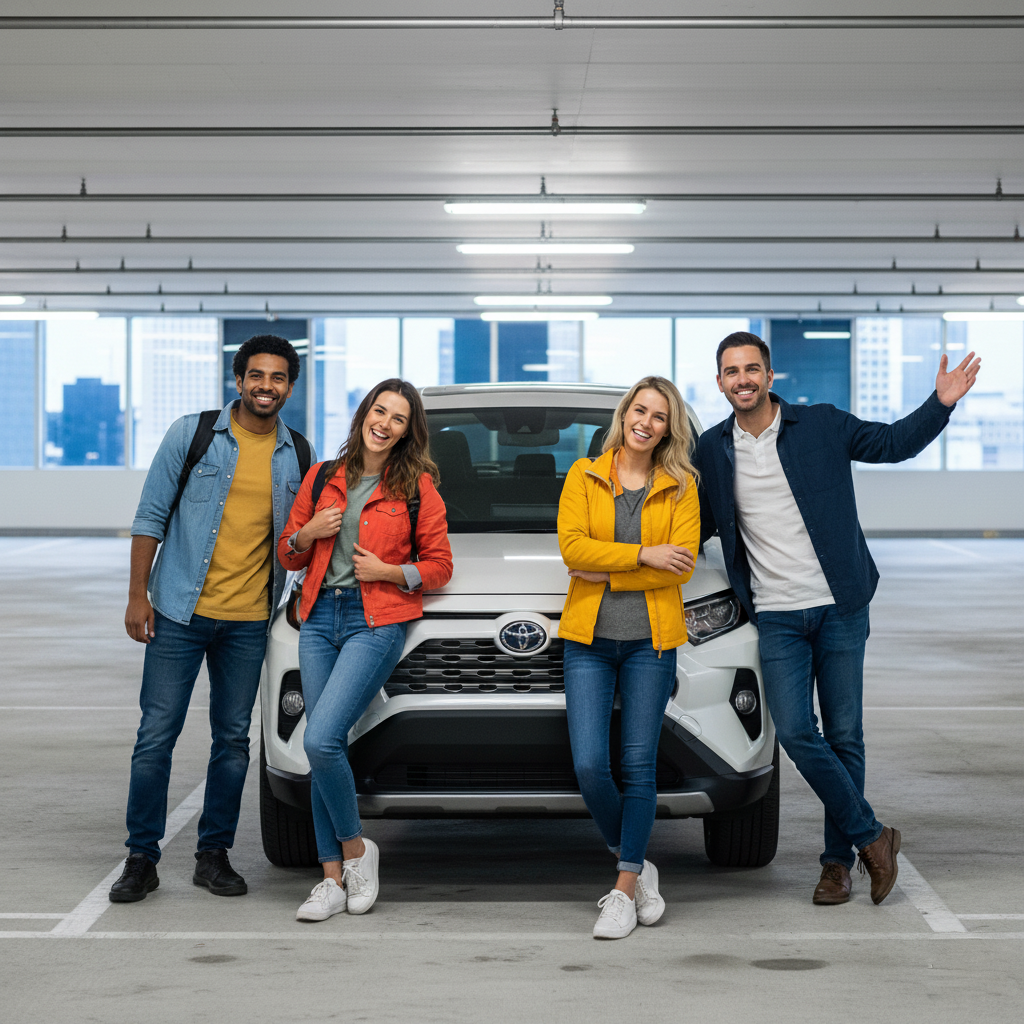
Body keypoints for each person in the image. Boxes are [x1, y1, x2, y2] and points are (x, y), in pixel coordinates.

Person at [693, 331, 981, 906]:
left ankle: (835, 864)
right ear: (720, 381)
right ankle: (873, 836)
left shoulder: (821, 423)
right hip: (775, 615)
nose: (743, 379)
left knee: (845, 735)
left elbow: (892, 443)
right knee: (798, 731)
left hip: (839, 605)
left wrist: (941, 403)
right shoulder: (712, 450)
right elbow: (691, 523)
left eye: (753, 368)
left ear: (770, 377)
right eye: (731, 371)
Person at [112, 334, 312, 902]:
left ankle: (212, 855)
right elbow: (150, 515)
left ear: (289, 387)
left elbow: (300, 543)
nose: (265, 386)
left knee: (233, 740)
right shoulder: (193, 434)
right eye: (256, 376)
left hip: (250, 622)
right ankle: (140, 858)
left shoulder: (298, 454)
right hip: (178, 610)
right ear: (239, 379)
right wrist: (137, 595)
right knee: (156, 736)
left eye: (277, 378)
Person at [278, 379, 452, 922]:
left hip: (374, 622)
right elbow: (288, 554)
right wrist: (307, 533)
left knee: (322, 736)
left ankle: (356, 850)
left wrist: (390, 572)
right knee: (324, 749)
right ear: (363, 415)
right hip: (317, 618)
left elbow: (440, 565)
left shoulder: (417, 486)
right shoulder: (323, 476)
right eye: (380, 411)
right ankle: (331, 879)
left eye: (398, 418)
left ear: (408, 431)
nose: (386, 423)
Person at [557, 376, 701, 939]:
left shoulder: (681, 485)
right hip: (588, 641)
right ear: (624, 415)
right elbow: (572, 550)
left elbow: (683, 563)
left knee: (638, 767)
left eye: (659, 416)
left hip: (651, 642)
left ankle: (621, 888)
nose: (646, 422)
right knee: (591, 766)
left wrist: (605, 567)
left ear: (670, 427)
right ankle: (638, 862)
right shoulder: (583, 474)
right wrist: (644, 555)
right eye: (639, 410)